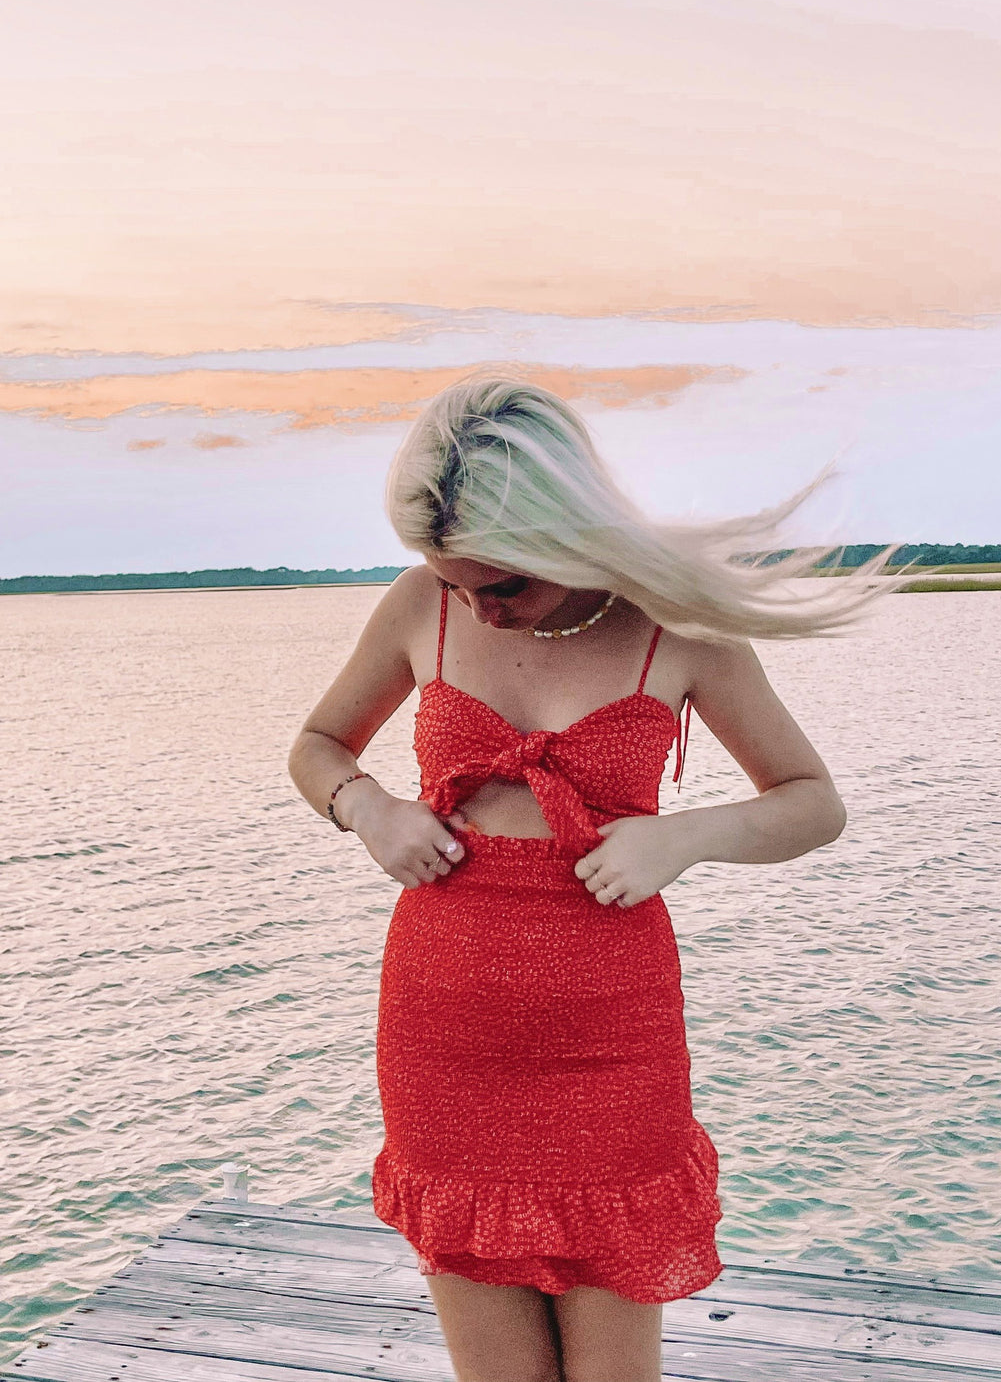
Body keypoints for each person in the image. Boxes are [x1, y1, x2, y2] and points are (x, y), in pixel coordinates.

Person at [287, 372, 896, 1382]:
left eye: (505, 585)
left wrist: (683, 836)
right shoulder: (419, 611)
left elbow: (809, 802)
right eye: (452, 582)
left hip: (612, 1045)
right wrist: (368, 808)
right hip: (446, 1035)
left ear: (567, 539)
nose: (479, 608)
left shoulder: (676, 629)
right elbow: (314, 744)